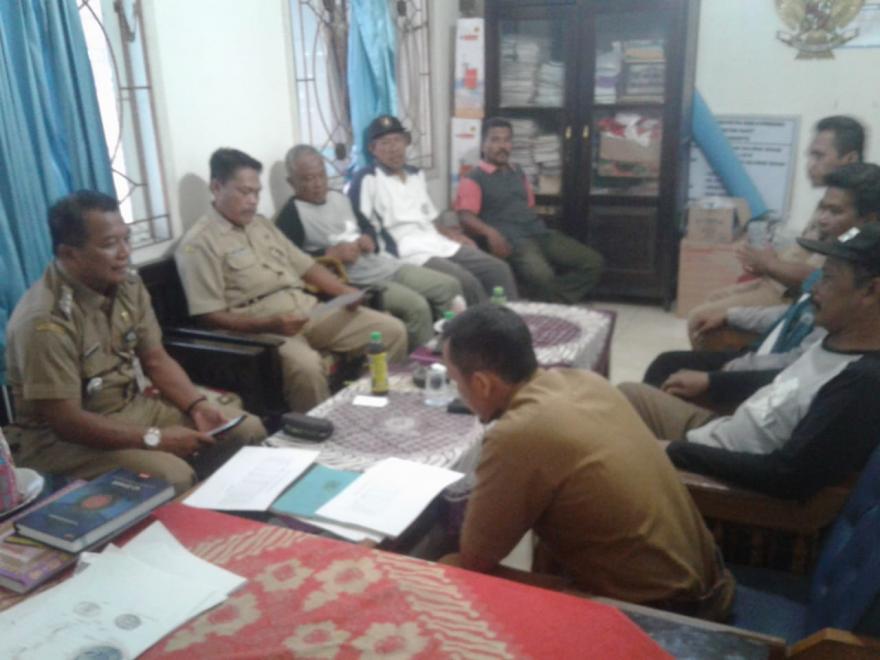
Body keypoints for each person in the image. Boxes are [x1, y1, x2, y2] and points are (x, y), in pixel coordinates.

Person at [440, 304, 734, 620]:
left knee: (451, 567)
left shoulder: (518, 431)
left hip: (662, 617)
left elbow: (476, 558)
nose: (459, 392)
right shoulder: (585, 381)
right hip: (713, 585)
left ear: (482, 384)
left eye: (456, 382)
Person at [3, 191, 266, 494]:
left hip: (131, 408)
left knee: (246, 430)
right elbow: (66, 421)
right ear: (69, 253)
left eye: (126, 239)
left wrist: (197, 405)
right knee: (172, 476)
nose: (124, 252)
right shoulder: (45, 320)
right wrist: (155, 439)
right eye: (109, 244)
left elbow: (156, 359)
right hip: (60, 439)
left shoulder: (127, 284)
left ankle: (224, 509)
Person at [619, 223, 880, 499]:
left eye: (827, 278)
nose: (813, 288)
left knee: (605, 444)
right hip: (721, 431)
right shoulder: (836, 340)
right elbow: (787, 384)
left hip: (724, 473)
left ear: (871, 291)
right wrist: (712, 382)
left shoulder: (863, 383)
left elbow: (787, 476)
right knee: (623, 396)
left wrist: (673, 451)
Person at [175, 148, 407, 413]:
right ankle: (319, 428)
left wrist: (344, 291)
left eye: (257, 193)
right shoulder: (199, 244)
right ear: (217, 187)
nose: (253, 201)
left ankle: (364, 409)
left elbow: (306, 266)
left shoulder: (261, 225)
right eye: (245, 192)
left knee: (392, 331)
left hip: (307, 310)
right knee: (307, 367)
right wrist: (269, 324)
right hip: (262, 329)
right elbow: (209, 317)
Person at [650, 162, 880, 392]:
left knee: (669, 368)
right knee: (667, 362)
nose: (822, 218)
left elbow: (799, 367)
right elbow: (795, 315)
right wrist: (732, 315)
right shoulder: (837, 257)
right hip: (762, 359)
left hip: (770, 383)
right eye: (823, 208)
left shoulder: (851, 289)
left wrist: (719, 378)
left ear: (869, 220)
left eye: (835, 212)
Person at [687, 116, 866, 347]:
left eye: (819, 156)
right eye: (811, 156)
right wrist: (766, 261)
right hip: (778, 282)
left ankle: (728, 368)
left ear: (850, 159)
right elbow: (807, 251)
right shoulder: (832, 199)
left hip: (792, 296)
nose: (810, 165)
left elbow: (822, 278)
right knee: (712, 299)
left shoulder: (858, 213)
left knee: (700, 320)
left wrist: (770, 264)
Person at [276, 144, 463, 349]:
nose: (318, 184)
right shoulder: (291, 216)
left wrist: (368, 237)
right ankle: (418, 363)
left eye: (321, 175)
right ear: (291, 182)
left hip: (382, 264)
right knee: (417, 307)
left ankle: (449, 352)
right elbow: (289, 264)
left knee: (449, 286)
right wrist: (329, 253)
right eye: (308, 179)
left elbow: (366, 226)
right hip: (356, 280)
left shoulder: (339, 197)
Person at [349, 115, 519, 306]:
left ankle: (512, 318)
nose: (393, 148)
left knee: (498, 269)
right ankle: (483, 323)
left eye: (397, 140)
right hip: (405, 251)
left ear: (406, 143)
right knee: (466, 281)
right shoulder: (367, 179)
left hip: (435, 241)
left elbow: (430, 219)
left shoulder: (416, 174)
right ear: (372, 149)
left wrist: (454, 236)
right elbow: (361, 225)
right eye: (385, 143)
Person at [455, 117, 603, 302]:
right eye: (495, 140)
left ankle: (553, 300)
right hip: (512, 241)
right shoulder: (474, 178)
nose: (502, 146)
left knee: (592, 262)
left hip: (538, 232)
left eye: (507, 140)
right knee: (542, 276)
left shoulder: (517, 171)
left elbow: (529, 205)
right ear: (483, 144)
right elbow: (465, 216)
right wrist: (490, 233)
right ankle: (550, 301)